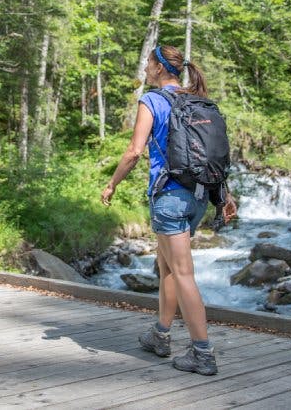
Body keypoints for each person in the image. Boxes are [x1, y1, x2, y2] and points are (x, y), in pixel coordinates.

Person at [101, 44, 236, 376]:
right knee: (167, 268)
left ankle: (202, 352)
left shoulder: (153, 101)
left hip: (170, 198)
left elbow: (134, 151)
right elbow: (210, 154)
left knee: (182, 272)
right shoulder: (196, 100)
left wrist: (112, 184)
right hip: (199, 197)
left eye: (149, 63)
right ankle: (160, 335)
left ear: (160, 68)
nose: (146, 69)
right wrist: (225, 194)